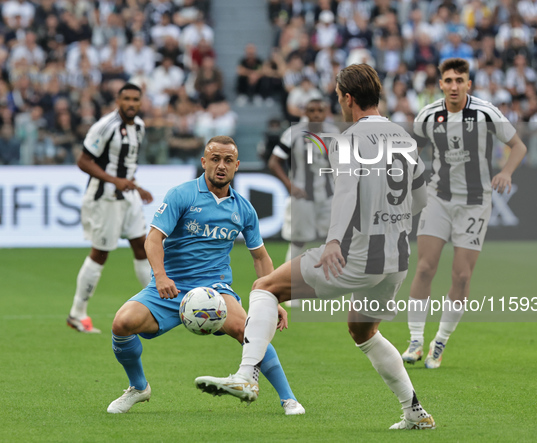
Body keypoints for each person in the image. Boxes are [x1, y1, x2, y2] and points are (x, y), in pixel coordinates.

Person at [196, 64, 436, 431]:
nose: (337, 104)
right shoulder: (403, 137)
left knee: (264, 288)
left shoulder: (349, 139)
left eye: (338, 97)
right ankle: (414, 411)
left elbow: (344, 195)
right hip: (397, 258)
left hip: (355, 255)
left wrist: (335, 240)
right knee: (362, 331)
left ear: (349, 98)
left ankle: (246, 374)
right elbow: (420, 198)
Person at [107, 136, 305, 416]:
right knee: (122, 323)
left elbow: (260, 257)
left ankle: (289, 400)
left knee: (250, 331)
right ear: (204, 162)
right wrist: (160, 276)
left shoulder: (244, 209)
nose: (220, 166)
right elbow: (153, 239)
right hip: (171, 287)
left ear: (236, 166)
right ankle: (139, 388)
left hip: (215, 289)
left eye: (227, 161)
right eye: (214, 159)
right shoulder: (182, 194)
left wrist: (275, 301)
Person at [401, 58, 527, 369]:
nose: (454, 86)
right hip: (438, 198)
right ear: (440, 85)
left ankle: (440, 341)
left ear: (468, 84)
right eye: (448, 81)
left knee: (462, 276)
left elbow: (518, 146)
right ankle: (416, 340)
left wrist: (507, 172)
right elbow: (409, 151)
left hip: (475, 202)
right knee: (426, 268)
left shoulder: (485, 113)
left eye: (460, 80)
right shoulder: (428, 116)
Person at [67, 83, 153, 334]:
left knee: (142, 246)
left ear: (140, 102)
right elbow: (83, 161)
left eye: (135, 99)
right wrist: (115, 181)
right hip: (105, 198)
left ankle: (159, 305)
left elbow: (127, 165)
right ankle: (77, 313)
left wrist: (137, 188)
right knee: (100, 252)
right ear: (118, 100)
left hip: (129, 196)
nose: (131, 103)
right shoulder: (105, 127)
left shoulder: (140, 126)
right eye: (126, 98)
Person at [268, 99, 338, 263]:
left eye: (319, 110)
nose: (316, 114)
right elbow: (274, 161)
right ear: (305, 113)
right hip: (302, 194)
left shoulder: (334, 133)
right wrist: (290, 185)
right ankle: (287, 278)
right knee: (298, 239)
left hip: (329, 194)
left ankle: (324, 277)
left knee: (332, 238)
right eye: (311, 110)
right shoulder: (293, 133)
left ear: (325, 112)